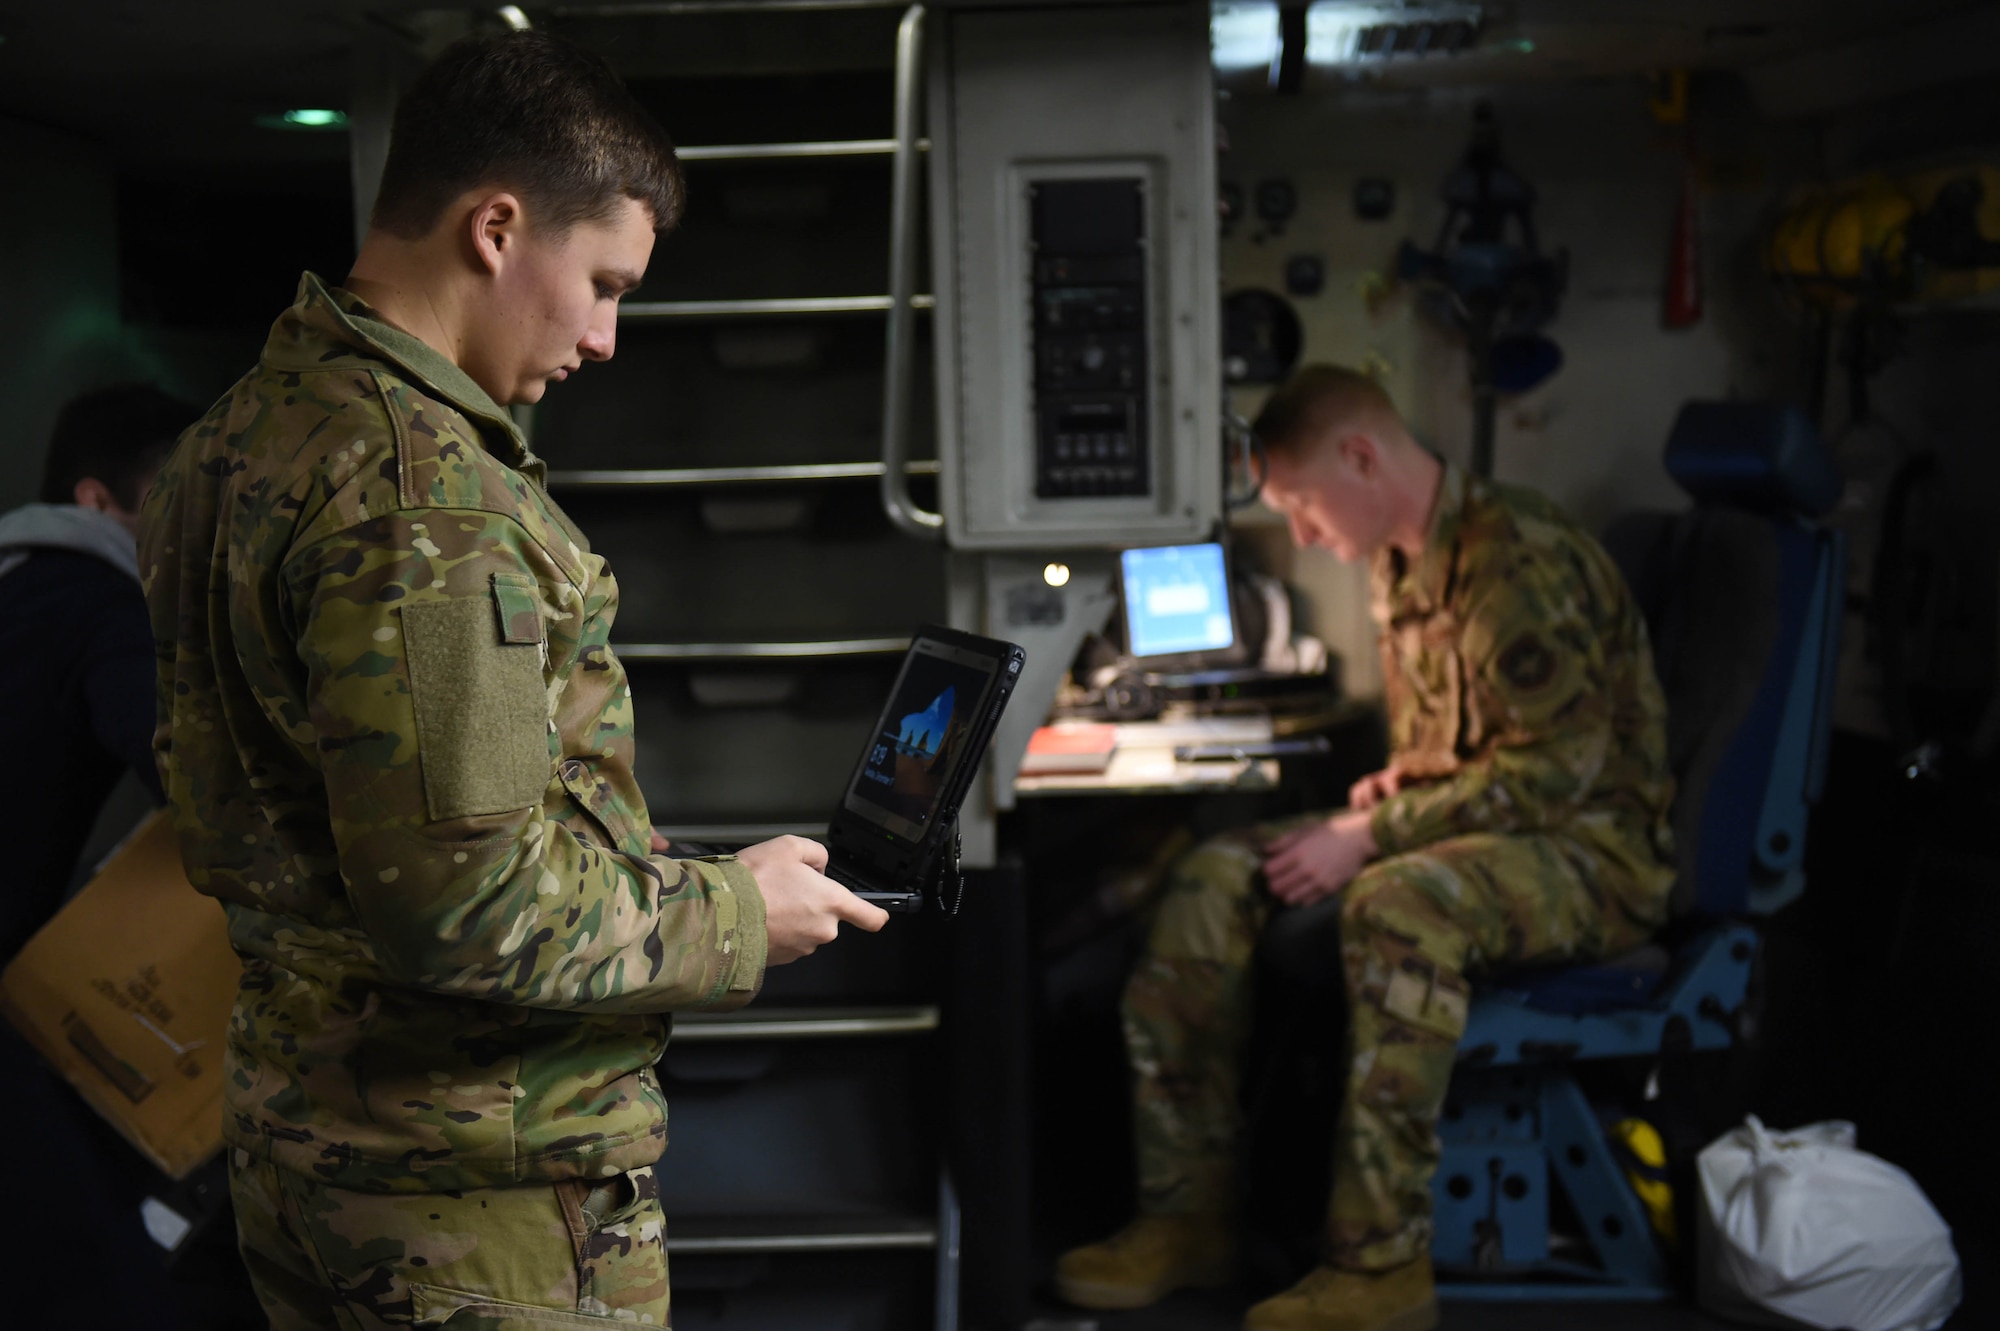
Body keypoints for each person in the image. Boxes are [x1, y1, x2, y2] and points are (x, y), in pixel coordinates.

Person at [138, 31, 887, 1329]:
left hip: (310, 1153)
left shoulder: (238, 434)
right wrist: (731, 911)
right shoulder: (428, 505)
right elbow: (469, 905)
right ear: (496, 227)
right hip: (476, 1204)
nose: (603, 337)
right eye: (602, 281)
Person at [1053, 365, 1675, 1331]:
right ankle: (1188, 1217)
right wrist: (1402, 785)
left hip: (1595, 853)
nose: (1300, 535)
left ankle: (1381, 1267)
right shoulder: (1397, 558)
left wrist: (1369, 830)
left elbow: (1555, 772)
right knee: (1215, 875)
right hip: (1490, 830)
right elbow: (1463, 753)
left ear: (1361, 456)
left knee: (1397, 902)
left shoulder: (1517, 556)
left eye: (1300, 504)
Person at [0, 384, 189, 958]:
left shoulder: (20, 572)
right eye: (175, 494)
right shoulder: (101, 605)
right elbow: (181, 764)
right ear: (96, 499)